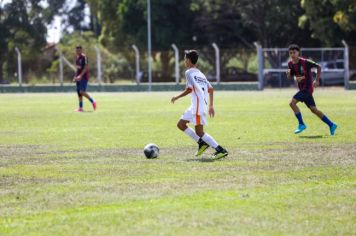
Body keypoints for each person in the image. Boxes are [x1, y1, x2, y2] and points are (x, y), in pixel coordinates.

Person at [171, 50, 228, 159]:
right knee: (180, 124)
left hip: (197, 106)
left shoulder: (189, 72)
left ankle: (220, 150)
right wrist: (211, 106)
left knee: (199, 131)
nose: (184, 61)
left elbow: (189, 89)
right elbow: (211, 89)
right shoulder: (201, 74)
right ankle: (202, 143)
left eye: (184, 59)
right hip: (196, 106)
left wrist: (176, 97)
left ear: (188, 60)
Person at [286, 44, 337, 135]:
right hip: (302, 89)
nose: (292, 54)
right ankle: (331, 124)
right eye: (290, 53)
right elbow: (292, 77)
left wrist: (316, 80)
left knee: (292, 103)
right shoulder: (290, 64)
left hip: (307, 89)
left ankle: (301, 124)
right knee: (314, 109)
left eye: (294, 52)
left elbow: (319, 66)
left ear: (298, 53)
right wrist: (289, 75)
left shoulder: (305, 62)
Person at [73, 45, 96, 112]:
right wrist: (75, 76)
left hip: (84, 77)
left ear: (81, 50)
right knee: (79, 93)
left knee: (82, 91)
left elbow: (86, 67)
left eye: (79, 50)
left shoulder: (84, 57)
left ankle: (93, 101)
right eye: (77, 50)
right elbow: (78, 69)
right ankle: (80, 108)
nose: (78, 51)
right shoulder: (77, 58)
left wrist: (80, 76)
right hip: (78, 77)